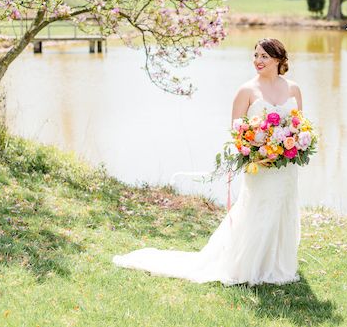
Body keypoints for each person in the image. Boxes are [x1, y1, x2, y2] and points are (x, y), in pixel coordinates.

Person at [112, 37, 303, 286]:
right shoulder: (246, 91)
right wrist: (258, 154)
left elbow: (300, 127)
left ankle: (278, 265)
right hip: (260, 165)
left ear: (278, 59)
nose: (257, 61)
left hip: (286, 166)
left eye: (264, 56)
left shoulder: (293, 89)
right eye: (255, 55)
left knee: (283, 207)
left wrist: (293, 145)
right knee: (258, 208)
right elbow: (237, 133)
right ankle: (249, 266)